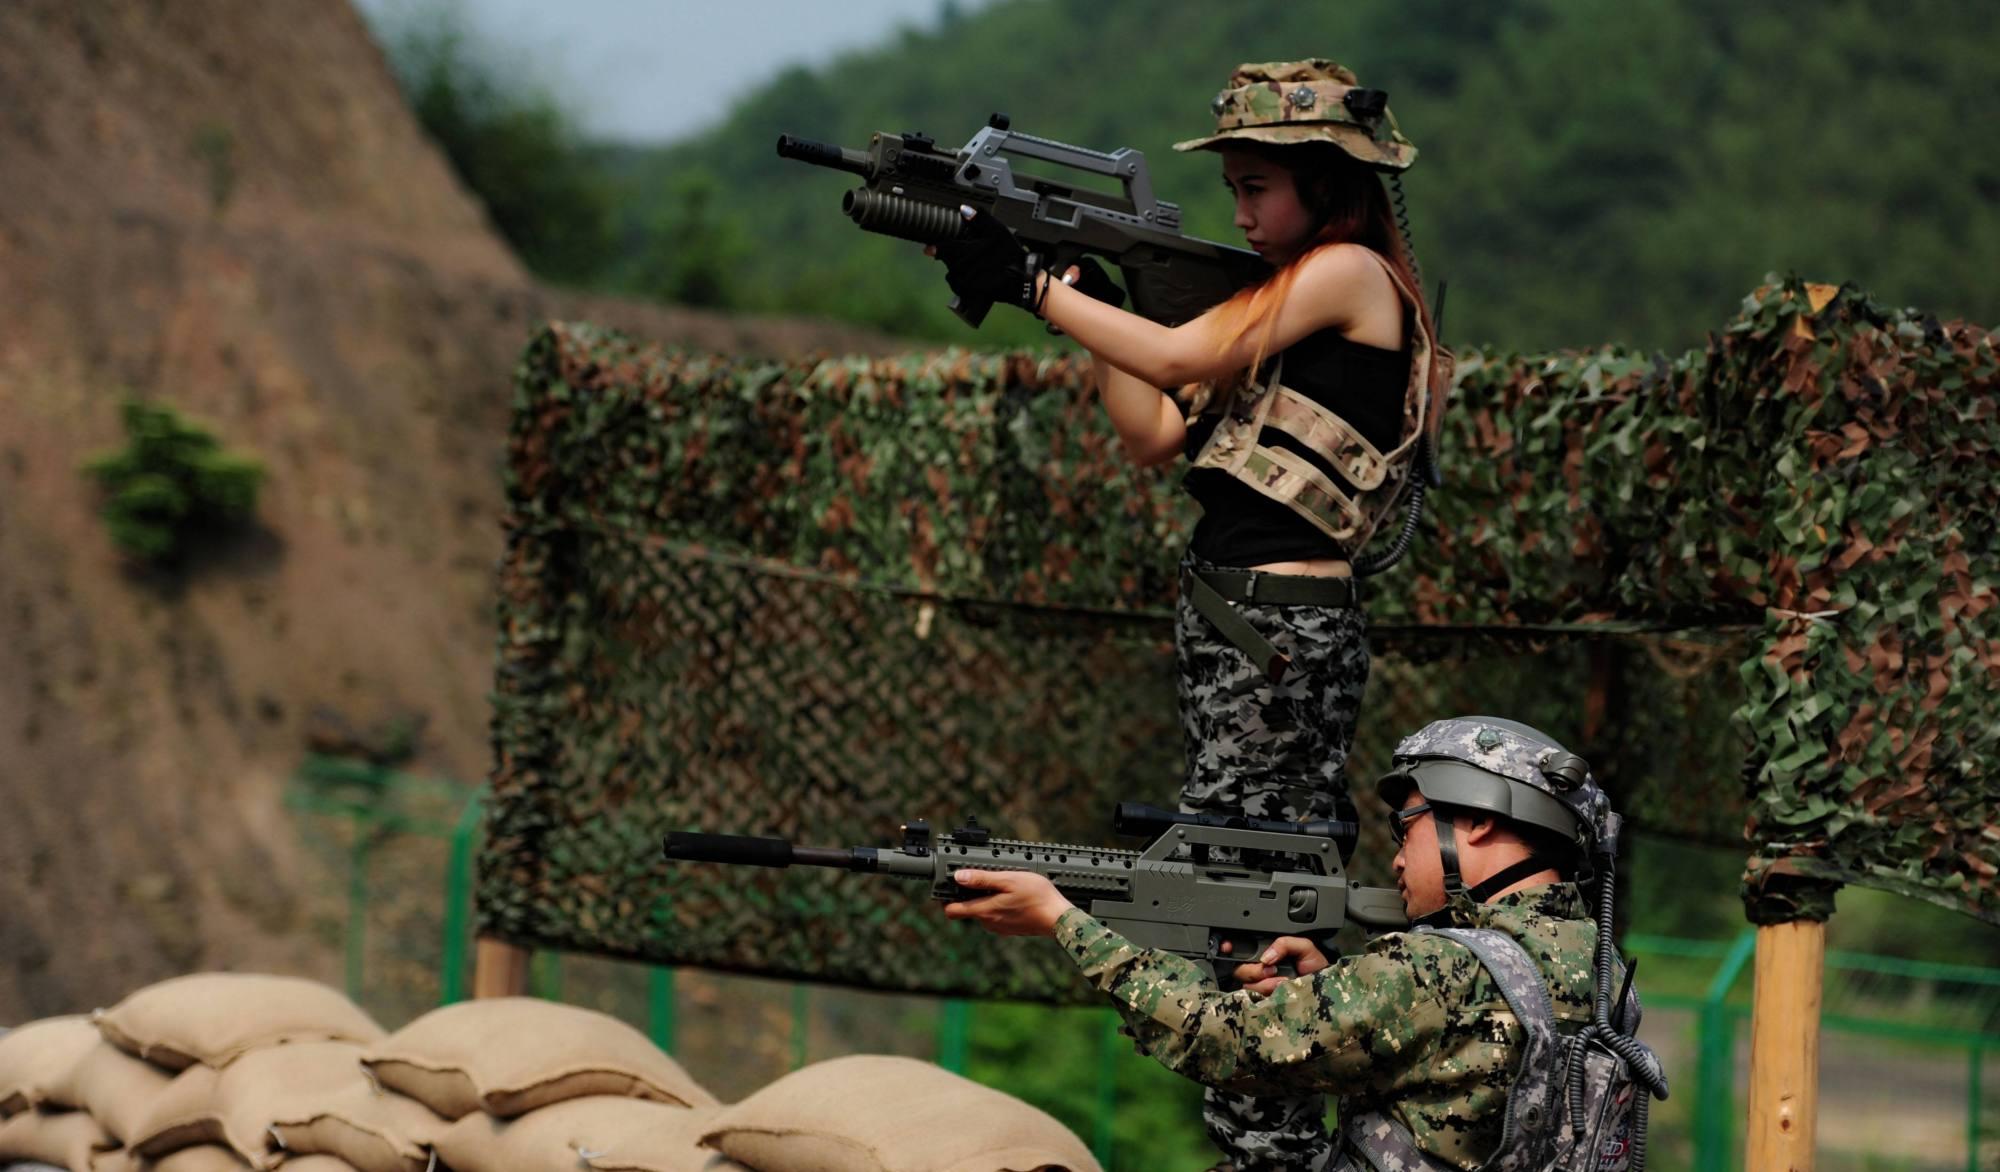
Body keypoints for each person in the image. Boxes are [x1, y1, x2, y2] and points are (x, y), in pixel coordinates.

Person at [929, 59, 1447, 1170]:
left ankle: (1262, 1151)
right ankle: (1254, 1144)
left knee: (1247, 903)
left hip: (1275, 635)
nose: (1242, 212)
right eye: (1236, 191)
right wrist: (1089, 305)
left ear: (1327, 183)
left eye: (1259, 186)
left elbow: (1176, 355)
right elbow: (1157, 425)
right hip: (1238, 628)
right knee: (1235, 899)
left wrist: (1036, 287)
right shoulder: (1286, 293)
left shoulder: (1347, 270)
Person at [941, 717, 1663, 1171]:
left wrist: (1066, 923)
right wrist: (1338, 982)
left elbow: (1226, 1044)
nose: (1395, 858)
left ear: (1475, 823)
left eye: (1406, 825)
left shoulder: (1441, 967)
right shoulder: (1595, 970)